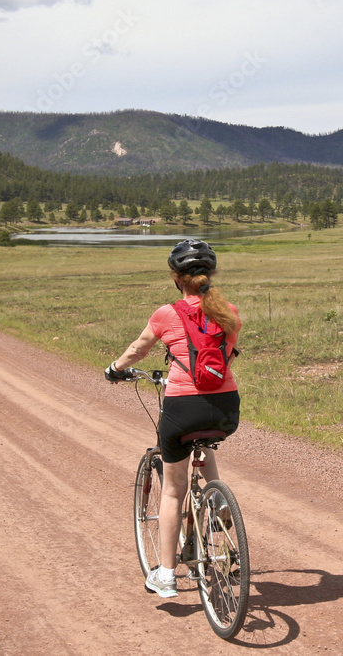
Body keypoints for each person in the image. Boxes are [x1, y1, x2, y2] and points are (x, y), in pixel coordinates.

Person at [105, 239, 241, 598]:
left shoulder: (167, 313)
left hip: (182, 407)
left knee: (174, 489)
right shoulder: (229, 311)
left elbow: (138, 349)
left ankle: (165, 574)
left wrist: (115, 369)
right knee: (204, 439)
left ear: (176, 279)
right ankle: (219, 503)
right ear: (210, 275)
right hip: (226, 407)